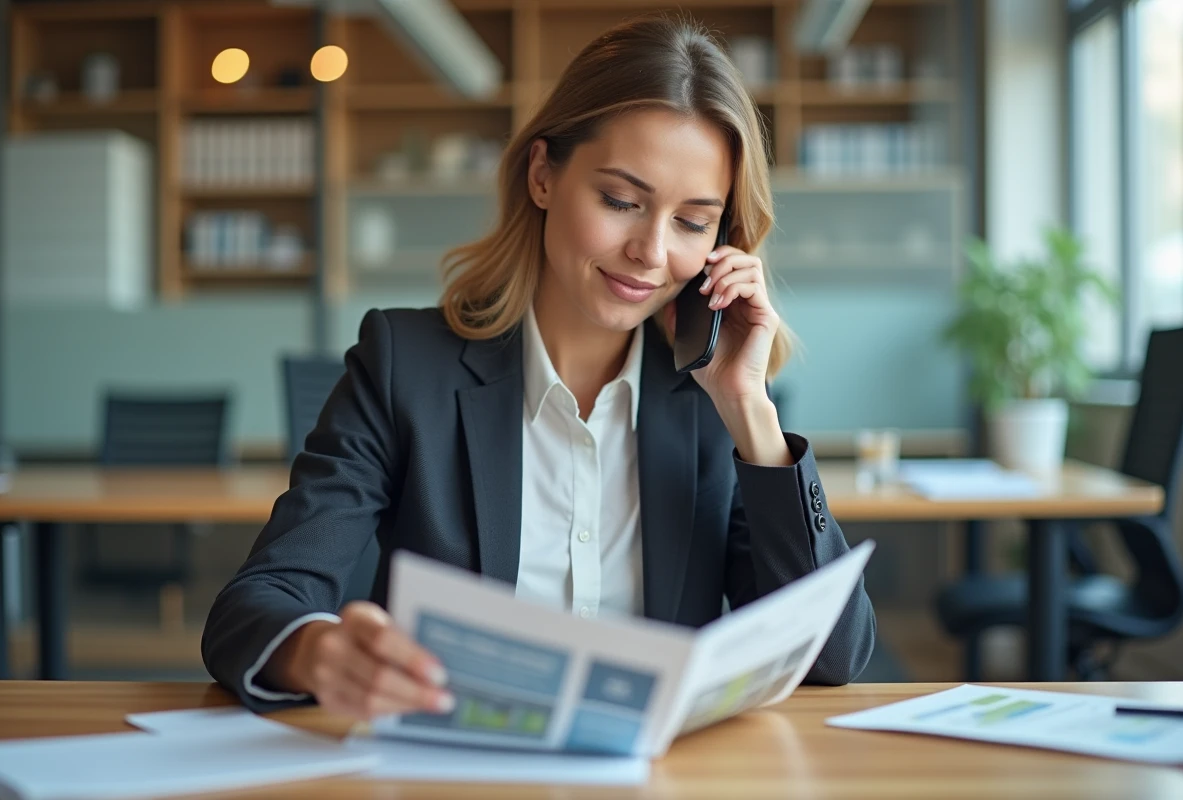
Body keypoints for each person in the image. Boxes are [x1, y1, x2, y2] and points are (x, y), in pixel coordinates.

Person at [203, 14, 875, 720]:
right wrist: (321, 651)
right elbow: (256, 605)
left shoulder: (713, 405)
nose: (651, 250)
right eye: (621, 201)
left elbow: (833, 657)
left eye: (691, 221)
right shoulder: (405, 366)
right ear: (543, 175)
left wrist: (751, 413)